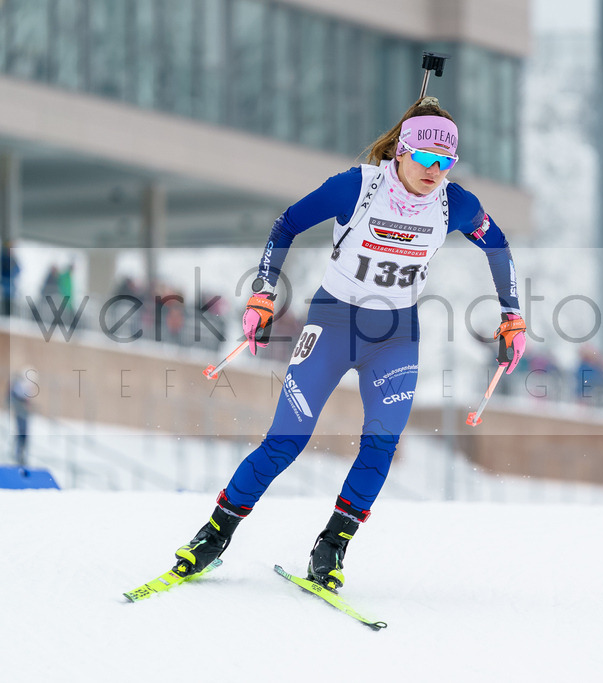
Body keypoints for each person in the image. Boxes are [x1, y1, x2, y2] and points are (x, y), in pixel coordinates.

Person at [171, 96, 527, 592]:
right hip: (333, 324)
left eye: (446, 161)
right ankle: (213, 536)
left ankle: (331, 549)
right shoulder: (358, 187)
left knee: (380, 446)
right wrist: (263, 293)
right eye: (425, 157)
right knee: (285, 441)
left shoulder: (455, 204)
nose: (434, 170)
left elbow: (498, 246)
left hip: (395, 336)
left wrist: (513, 316)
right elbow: (286, 224)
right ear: (402, 150)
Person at [1, 241, 19, 316]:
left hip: (10, 287)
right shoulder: (3, 257)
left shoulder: (13, 259)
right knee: (4, 302)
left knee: (9, 304)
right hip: (4, 285)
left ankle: (8, 315)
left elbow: (18, 269)